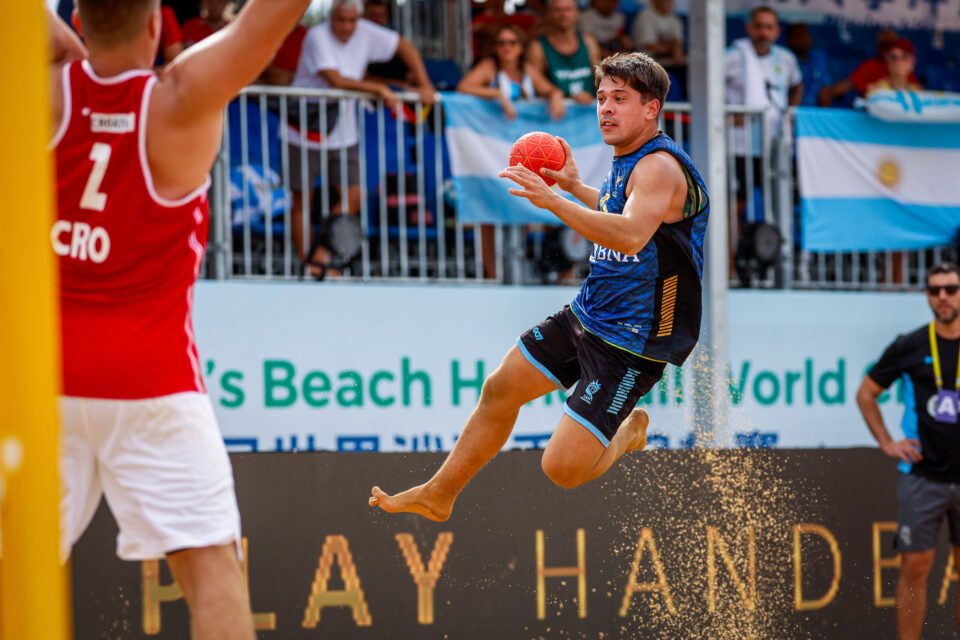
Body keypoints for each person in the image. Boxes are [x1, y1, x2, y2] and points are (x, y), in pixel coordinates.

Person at [49, 1, 309, 638]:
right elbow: (262, 26)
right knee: (213, 573)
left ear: (78, 20)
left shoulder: (46, 83)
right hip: (151, 381)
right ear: (157, 27)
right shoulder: (179, 99)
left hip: (39, 382)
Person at [370, 51, 709, 521]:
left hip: (633, 341)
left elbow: (631, 235)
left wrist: (552, 201)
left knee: (563, 469)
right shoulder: (628, 159)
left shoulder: (659, 167)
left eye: (620, 99)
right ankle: (439, 493)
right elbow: (623, 210)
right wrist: (574, 187)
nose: (605, 108)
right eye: (601, 98)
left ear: (652, 108)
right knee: (500, 388)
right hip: (590, 312)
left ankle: (628, 433)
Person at [288, 0, 437, 276]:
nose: (346, 27)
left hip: (344, 130)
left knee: (354, 193)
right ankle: (307, 265)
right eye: (340, 21)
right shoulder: (317, 35)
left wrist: (424, 82)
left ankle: (320, 257)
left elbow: (405, 46)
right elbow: (336, 79)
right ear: (331, 18)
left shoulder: (367, 31)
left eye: (351, 21)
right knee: (302, 199)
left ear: (358, 18)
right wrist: (379, 88)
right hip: (304, 127)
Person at [856, 263, 960, 640]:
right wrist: (886, 442)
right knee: (916, 564)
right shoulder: (911, 344)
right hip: (922, 475)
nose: (943, 296)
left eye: (950, 288)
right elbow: (866, 393)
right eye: (935, 290)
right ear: (927, 296)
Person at [457, 24, 566, 280]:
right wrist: (497, 94)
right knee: (488, 207)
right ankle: (490, 274)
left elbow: (549, 89)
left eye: (512, 43)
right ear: (495, 47)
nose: (507, 47)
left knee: (524, 204)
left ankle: (525, 267)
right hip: (489, 149)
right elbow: (464, 87)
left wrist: (556, 96)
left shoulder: (528, 71)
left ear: (521, 47)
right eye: (502, 42)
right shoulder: (489, 68)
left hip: (521, 154)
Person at [725, 6, 801, 225]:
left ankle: (779, 255)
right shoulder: (733, 56)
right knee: (736, 205)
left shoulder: (786, 59)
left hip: (776, 143)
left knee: (780, 202)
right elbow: (705, 83)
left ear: (777, 31)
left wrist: (791, 111)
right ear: (749, 28)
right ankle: (730, 257)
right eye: (758, 26)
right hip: (740, 145)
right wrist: (726, 111)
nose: (763, 33)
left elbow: (797, 85)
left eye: (769, 27)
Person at [818, 29, 919, 106]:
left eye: (904, 56)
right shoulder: (872, 69)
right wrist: (829, 93)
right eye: (893, 56)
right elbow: (849, 84)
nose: (898, 61)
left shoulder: (908, 77)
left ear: (912, 62)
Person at [527, 0, 601, 105]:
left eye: (568, 9)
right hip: (556, 115)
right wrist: (560, 94)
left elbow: (601, 78)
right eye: (558, 10)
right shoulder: (538, 47)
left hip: (588, 113)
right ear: (549, 13)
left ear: (577, 12)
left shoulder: (589, 42)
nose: (564, 14)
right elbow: (535, 83)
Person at [785, 23, 831, 107]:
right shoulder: (785, 59)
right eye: (797, 36)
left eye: (805, 35)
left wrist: (823, 115)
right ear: (789, 40)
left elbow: (825, 90)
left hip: (815, 113)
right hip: (791, 111)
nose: (802, 39)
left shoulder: (818, 58)